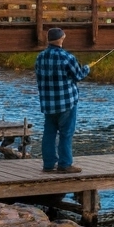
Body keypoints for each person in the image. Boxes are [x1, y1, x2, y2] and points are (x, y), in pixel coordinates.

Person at [36, 27, 89, 173]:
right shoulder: (67, 57)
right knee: (66, 134)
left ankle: (48, 164)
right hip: (67, 103)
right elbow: (78, 76)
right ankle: (64, 164)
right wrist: (86, 69)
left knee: (49, 133)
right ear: (62, 38)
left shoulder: (40, 57)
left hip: (48, 104)